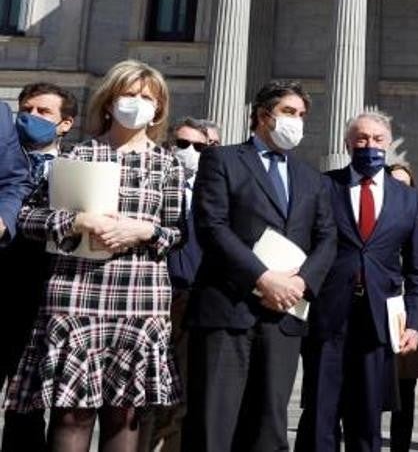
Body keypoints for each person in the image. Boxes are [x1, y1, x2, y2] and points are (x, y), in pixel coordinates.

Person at [6, 60, 181, 452]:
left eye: (146, 97)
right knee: (72, 414)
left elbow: (176, 231)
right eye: (129, 95)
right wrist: (76, 220)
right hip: (77, 292)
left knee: (125, 415)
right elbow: (27, 217)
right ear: (109, 100)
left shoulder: (167, 163)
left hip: (139, 296)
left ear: (158, 107)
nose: (136, 103)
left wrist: (145, 230)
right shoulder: (77, 155)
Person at [182, 80, 337, 452]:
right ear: (263, 115)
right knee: (213, 424)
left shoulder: (310, 178)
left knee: (268, 424)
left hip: (283, 315)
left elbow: (327, 238)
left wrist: (300, 284)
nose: (296, 121)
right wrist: (262, 278)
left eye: (301, 115)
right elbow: (212, 226)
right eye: (289, 112)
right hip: (228, 309)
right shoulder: (223, 160)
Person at [296, 111, 418, 452]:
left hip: (378, 321)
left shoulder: (407, 198)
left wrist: (414, 323)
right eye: (361, 140)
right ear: (348, 144)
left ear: (388, 145)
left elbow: (417, 269)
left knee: (367, 419)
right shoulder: (323, 185)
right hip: (327, 318)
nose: (370, 146)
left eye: (377, 140)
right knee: (319, 416)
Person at [1, 82, 71, 451]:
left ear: (65, 124)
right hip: (4, 287)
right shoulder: (6, 164)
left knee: (27, 402)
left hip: (47, 296)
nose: (31, 117)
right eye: (26, 109)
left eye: (44, 112)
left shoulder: (78, 166)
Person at [141, 117, 218, 452]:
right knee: (146, 395)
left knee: (184, 393)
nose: (189, 152)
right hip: (154, 296)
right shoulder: (154, 182)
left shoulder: (216, 192)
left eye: (199, 147)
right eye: (183, 144)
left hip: (196, 298)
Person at [386, 160, 418, 452]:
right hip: (374, 309)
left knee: (405, 390)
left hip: (402, 315)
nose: (399, 188)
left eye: (405, 183)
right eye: (394, 182)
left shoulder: (417, 221)